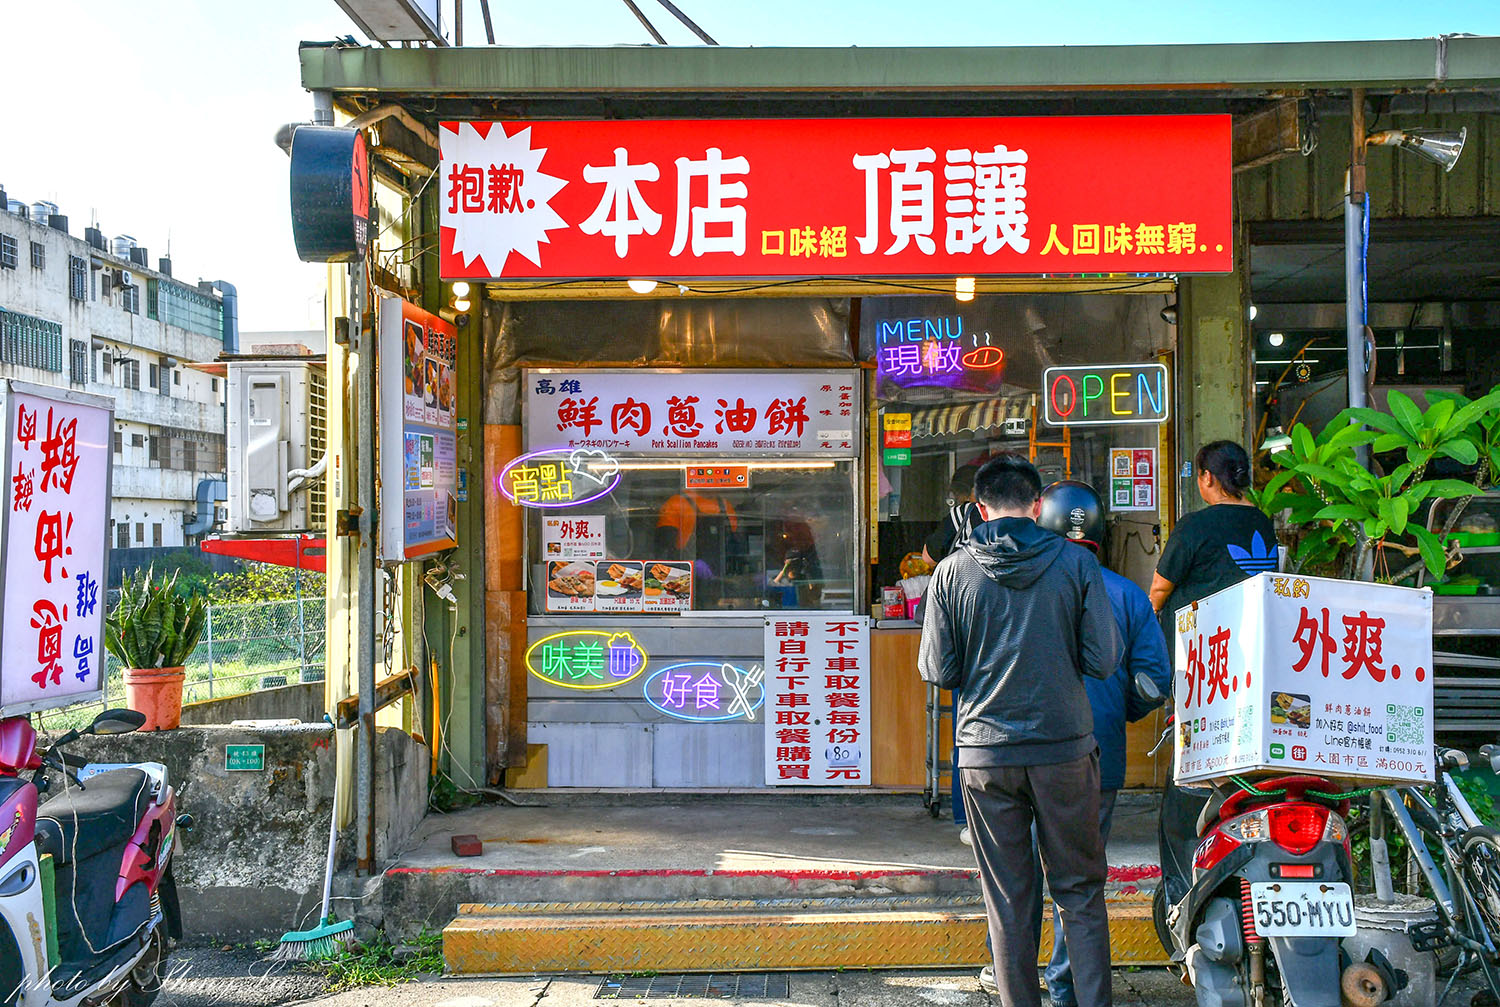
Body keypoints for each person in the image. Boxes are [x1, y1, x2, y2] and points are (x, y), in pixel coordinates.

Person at [918, 454, 1122, 1007]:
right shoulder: (1075, 565)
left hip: (986, 753)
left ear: (980, 508)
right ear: (1037, 506)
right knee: (1079, 892)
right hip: (1065, 750)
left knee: (1007, 898)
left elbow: (938, 670)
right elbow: (1103, 658)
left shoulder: (951, 572)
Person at [1032, 481, 1173, 1007]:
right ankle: (1067, 985)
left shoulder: (1023, 584)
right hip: (1098, 754)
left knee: (1020, 875)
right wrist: (1116, 713)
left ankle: (1012, 976)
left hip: (1024, 751)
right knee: (1081, 882)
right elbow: (1153, 683)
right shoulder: (1128, 594)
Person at [1149, 440, 1279, 909]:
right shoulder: (1261, 521)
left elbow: (1158, 592)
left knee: (1191, 776)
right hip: (1254, 663)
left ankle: (1184, 895)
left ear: (1207, 479)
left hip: (1202, 668)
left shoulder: (1197, 525)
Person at [920, 460, 982, 843]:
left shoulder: (962, 515)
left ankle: (968, 818)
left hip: (965, 638)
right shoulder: (1037, 528)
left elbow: (927, 558)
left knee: (968, 728)